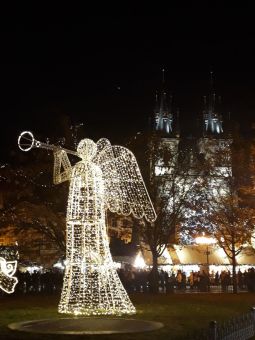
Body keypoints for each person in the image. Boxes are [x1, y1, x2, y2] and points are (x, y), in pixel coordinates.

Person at [53, 138, 156, 315]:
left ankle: (75, 301)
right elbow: (62, 178)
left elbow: (58, 177)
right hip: (89, 217)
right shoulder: (95, 170)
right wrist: (61, 156)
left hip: (79, 217)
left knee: (81, 253)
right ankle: (93, 299)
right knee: (87, 252)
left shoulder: (82, 169)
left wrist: (59, 157)